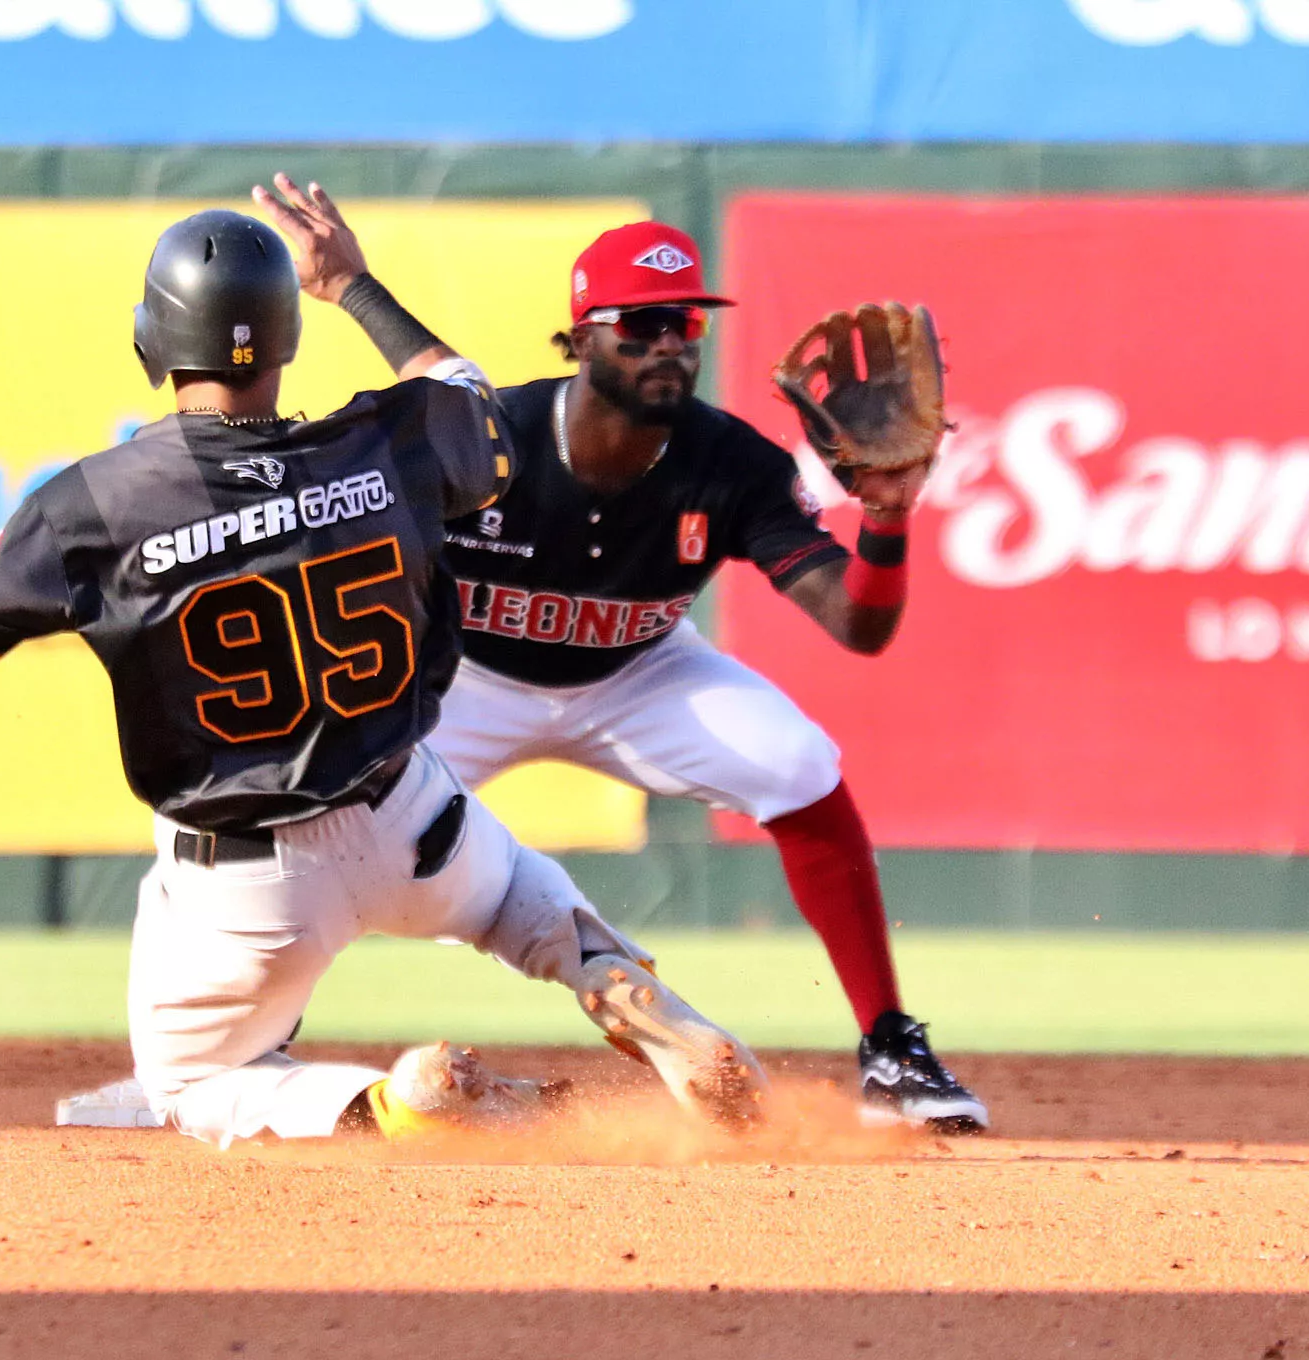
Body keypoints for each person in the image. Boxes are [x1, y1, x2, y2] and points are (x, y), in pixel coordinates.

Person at [0, 179, 769, 1148]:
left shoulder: (88, 509)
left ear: (152, 343)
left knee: (194, 1086)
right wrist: (349, 279)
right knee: (523, 901)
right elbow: (468, 395)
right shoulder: (388, 442)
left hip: (247, 885)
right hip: (412, 816)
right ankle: (612, 973)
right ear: (285, 341)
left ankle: (391, 1103)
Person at [407, 221, 988, 1132]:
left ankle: (890, 1051)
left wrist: (885, 516)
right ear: (584, 331)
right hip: (466, 680)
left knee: (800, 766)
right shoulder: (496, 437)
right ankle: (252, 1043)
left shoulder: (733, 462)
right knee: (334, 814)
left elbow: (858, 623)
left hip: (637, 674)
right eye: (641, 323)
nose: (669, 343)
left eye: (685, 322)